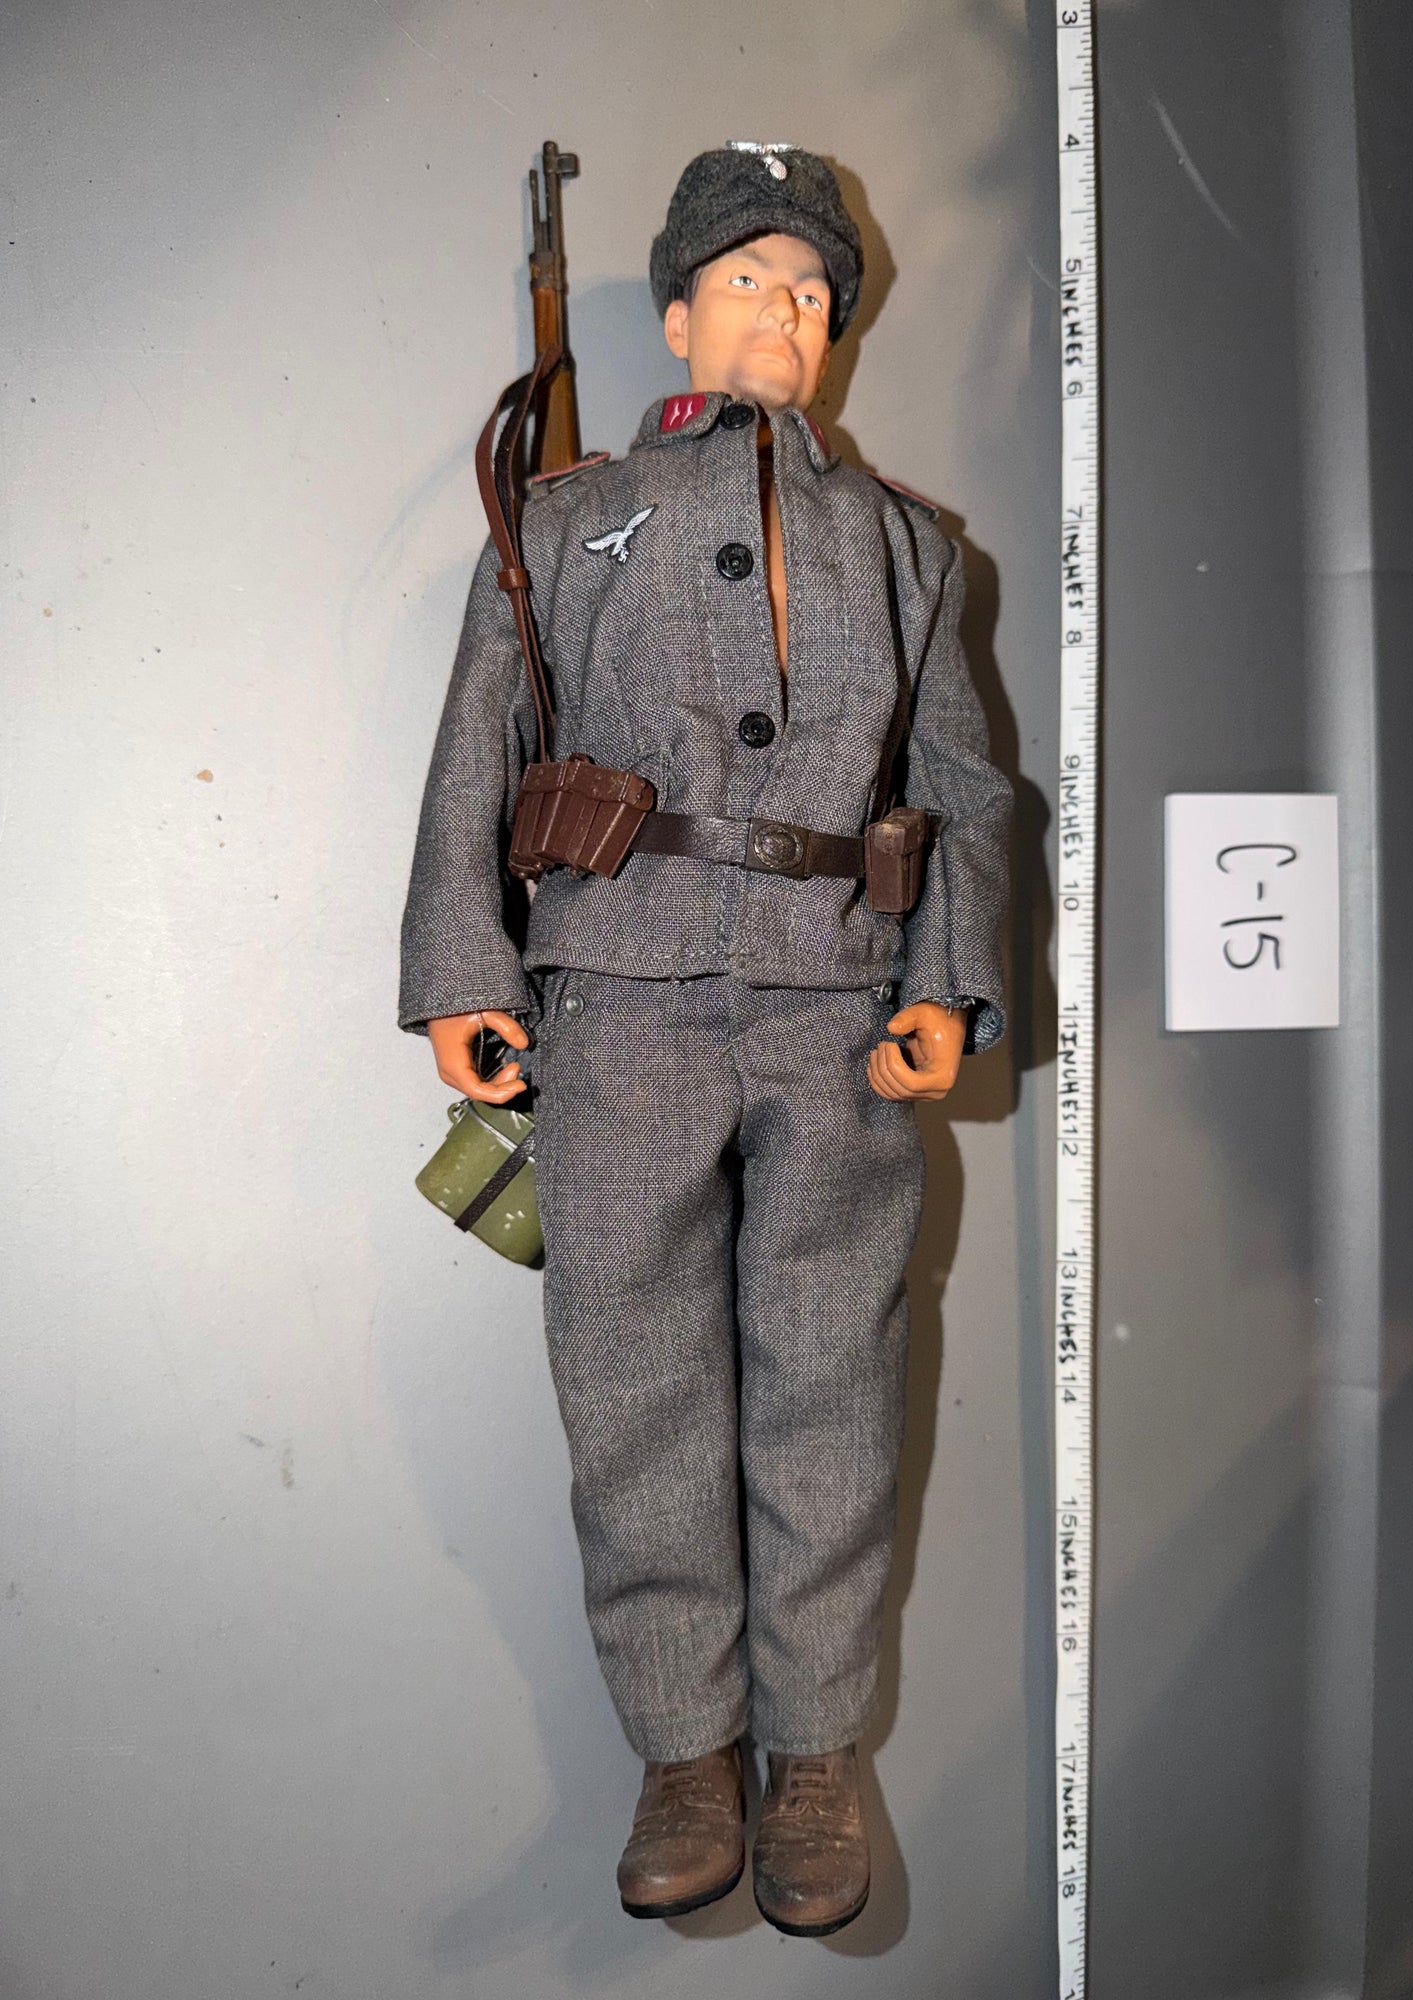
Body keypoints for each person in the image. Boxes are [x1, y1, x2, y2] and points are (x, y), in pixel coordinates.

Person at [398, 141, 1012, 1937]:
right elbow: (480, 745)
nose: (784, 316)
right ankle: (686, 1748)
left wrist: (943, 985)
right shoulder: (568, 517)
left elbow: (963, 786)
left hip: (836, 1011)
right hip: (620, 996)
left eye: (813, 295)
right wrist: (465, 972)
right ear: (675, 314)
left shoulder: (907, 544)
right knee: (633, 1378)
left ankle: (812, 1755)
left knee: (832, 1381)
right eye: (748, 282)